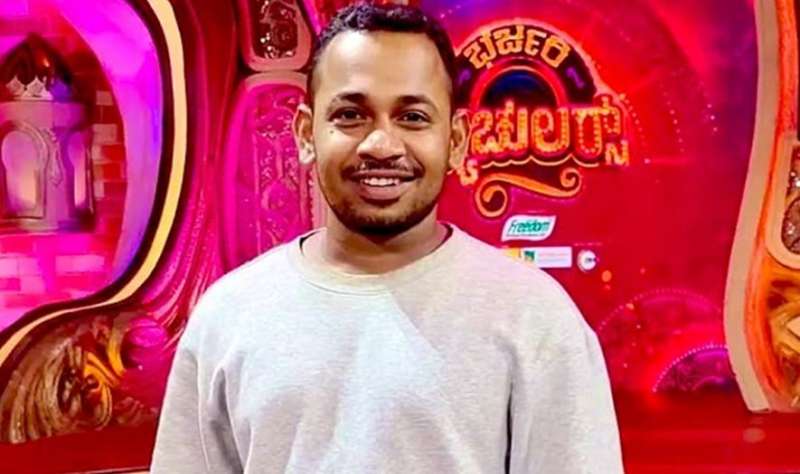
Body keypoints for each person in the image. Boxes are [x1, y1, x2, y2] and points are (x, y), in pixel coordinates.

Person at [150, 3, 623, 473]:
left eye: (413, 117)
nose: (381, 145)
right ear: (306, 134)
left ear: (457, 140)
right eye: (350, 115)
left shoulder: (535, 317)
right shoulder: (228, 315)